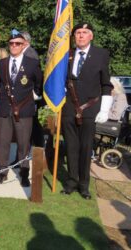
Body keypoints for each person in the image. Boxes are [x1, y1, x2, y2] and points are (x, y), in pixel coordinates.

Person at [61, 23, 113, 200]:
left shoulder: (101, 54)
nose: (81, 36)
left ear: (91, 36)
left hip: (90, 109)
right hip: (69, 108)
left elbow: (106, 83)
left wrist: (105, 108)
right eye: (78, 33)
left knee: (85, 147)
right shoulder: (67, 54)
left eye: (85, 33)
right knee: (71, 146)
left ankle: (84, 185)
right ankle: (71, 182)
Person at [0, 30, 42, 187]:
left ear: (24, 45)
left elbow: (39, 83)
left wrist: (35, 95)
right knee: (3, 142)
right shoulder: (1, 64)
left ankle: (24, 173)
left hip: (24, 110)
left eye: (18, 44)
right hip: (4, 109)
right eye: (12, 43)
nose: (14, 46)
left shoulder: (32, 63)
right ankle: (2, 172)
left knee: (23, 144)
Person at [21, 31, 45, 147]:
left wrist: (36, 92)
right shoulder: (27, 52)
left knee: (32, 123)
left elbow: (37, 76)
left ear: (25, 41)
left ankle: (38, 147)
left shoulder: (30, 54)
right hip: (27, 93)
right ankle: (35, 146)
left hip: (31, 94)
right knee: (31, 122)